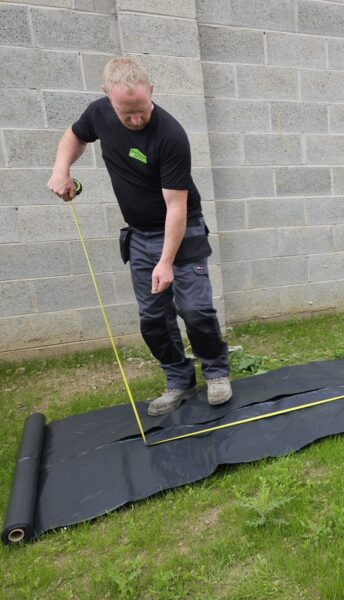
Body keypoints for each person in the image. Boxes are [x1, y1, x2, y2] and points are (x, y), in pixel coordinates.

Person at [47, 57, 232, 417]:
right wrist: (61, 169)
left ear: (151, 91)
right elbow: (75, 136)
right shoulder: (97, 113)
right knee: (152, 318)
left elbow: (175, 207)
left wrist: (166, 262)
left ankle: (216, 373)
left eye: (141, 110)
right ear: (107, 96)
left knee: (194, 309)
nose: (135, 120)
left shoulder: (170, 135)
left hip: (182, 228)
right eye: (125, 112)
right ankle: (178, 381)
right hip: (140, 235)